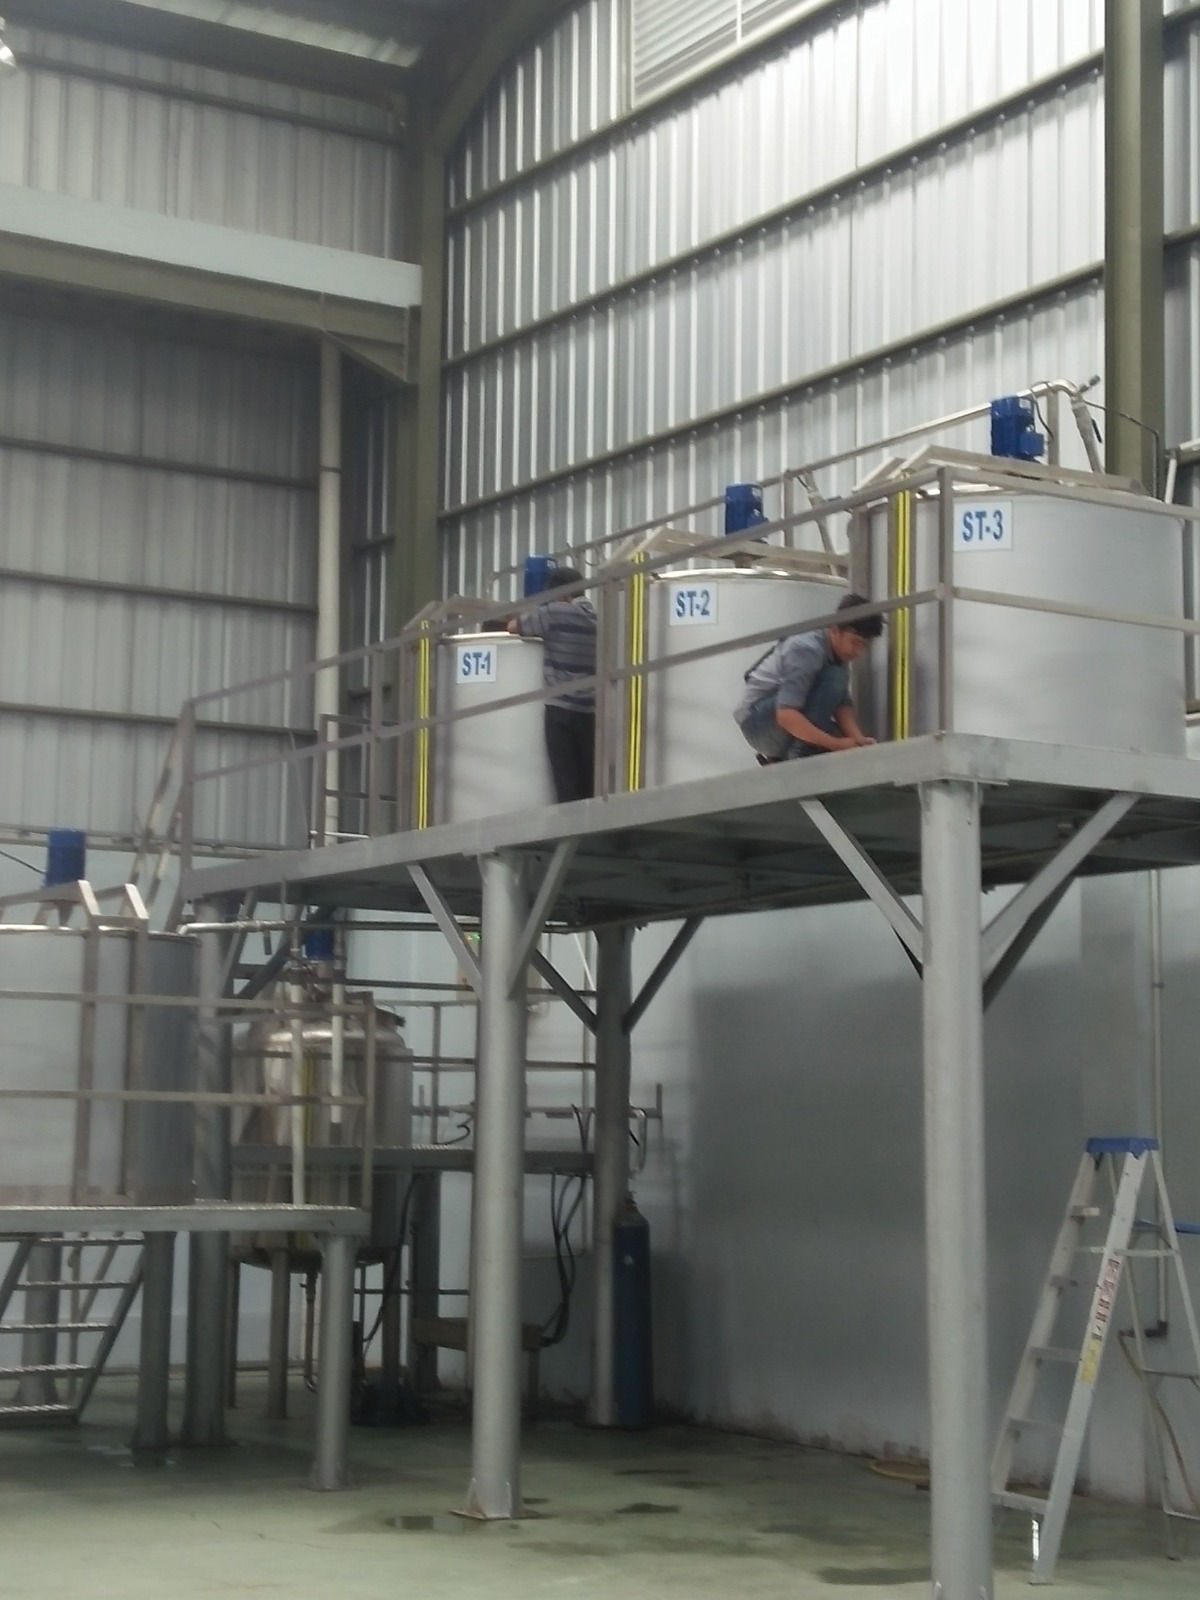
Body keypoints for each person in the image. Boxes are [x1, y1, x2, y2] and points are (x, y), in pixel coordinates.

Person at [735, 591, 884, 762]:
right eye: (855, 643)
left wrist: (858, 739)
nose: (858, 652)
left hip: (777, 722)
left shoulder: (837, 653)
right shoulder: (807, 649)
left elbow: (842, 704)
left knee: (848, 747)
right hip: (758, 724)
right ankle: (799, 755)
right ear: (835, 630)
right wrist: (835, 744)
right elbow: (785, 714)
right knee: (834, 678)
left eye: (864, 646)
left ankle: (793, 754)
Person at [507, 566, 597, 802]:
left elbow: (513, 627)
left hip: (561, 710)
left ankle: (570, 823)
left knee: (565, 782)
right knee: (588, 782)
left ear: (562, 593)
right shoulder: (596, 618)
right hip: (590, 710)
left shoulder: (554, 612)